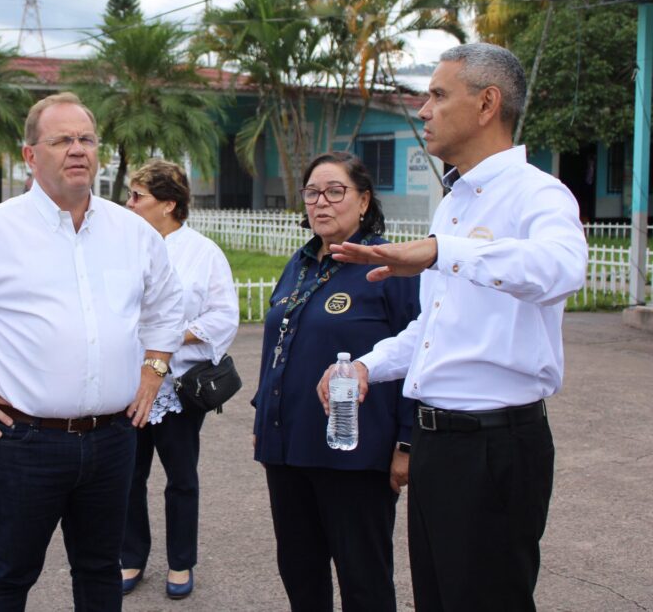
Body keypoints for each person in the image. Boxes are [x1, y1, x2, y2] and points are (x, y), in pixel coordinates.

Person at [316, 43, 588, 612]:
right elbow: (435, 326)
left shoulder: (537, 192)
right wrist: (367, 365)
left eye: (439, 95)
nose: (424, 110)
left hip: (494, 444)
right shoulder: (455, 203)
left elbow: (562, 269)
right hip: (438, 444)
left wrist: (444, 251)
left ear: (487, 103)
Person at [0, 92, 184, 611]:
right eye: (61, 140)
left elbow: (166, 305)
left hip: (112, 438)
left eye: (86, 139)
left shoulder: (131, 233)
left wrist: (153, 370)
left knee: (100, 570)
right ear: (30, 155)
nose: (77, 149)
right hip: (22, 442)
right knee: (8, 574)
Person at [252, 152, 419, 611]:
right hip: (288, 449)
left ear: (364, 201)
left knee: (363, 580)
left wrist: (407, 442)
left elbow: (419, 351)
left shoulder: (388, 266)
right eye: (312, 193)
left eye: (334, 191)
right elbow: (278, 344)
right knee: (300, 573)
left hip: (355, 455)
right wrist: (262, 415)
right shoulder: (301, 262)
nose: (320, 202)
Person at [120, 160, 239, 601]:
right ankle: (130, 556)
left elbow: (223, 316)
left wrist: (170, 338)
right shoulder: (124, 248)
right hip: (127, 384)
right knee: (128, 476)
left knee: (181, 477)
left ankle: (180, 561)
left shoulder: (203, 253)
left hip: (178, 386)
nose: (129, 204)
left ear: (169, 203)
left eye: (138, 196)